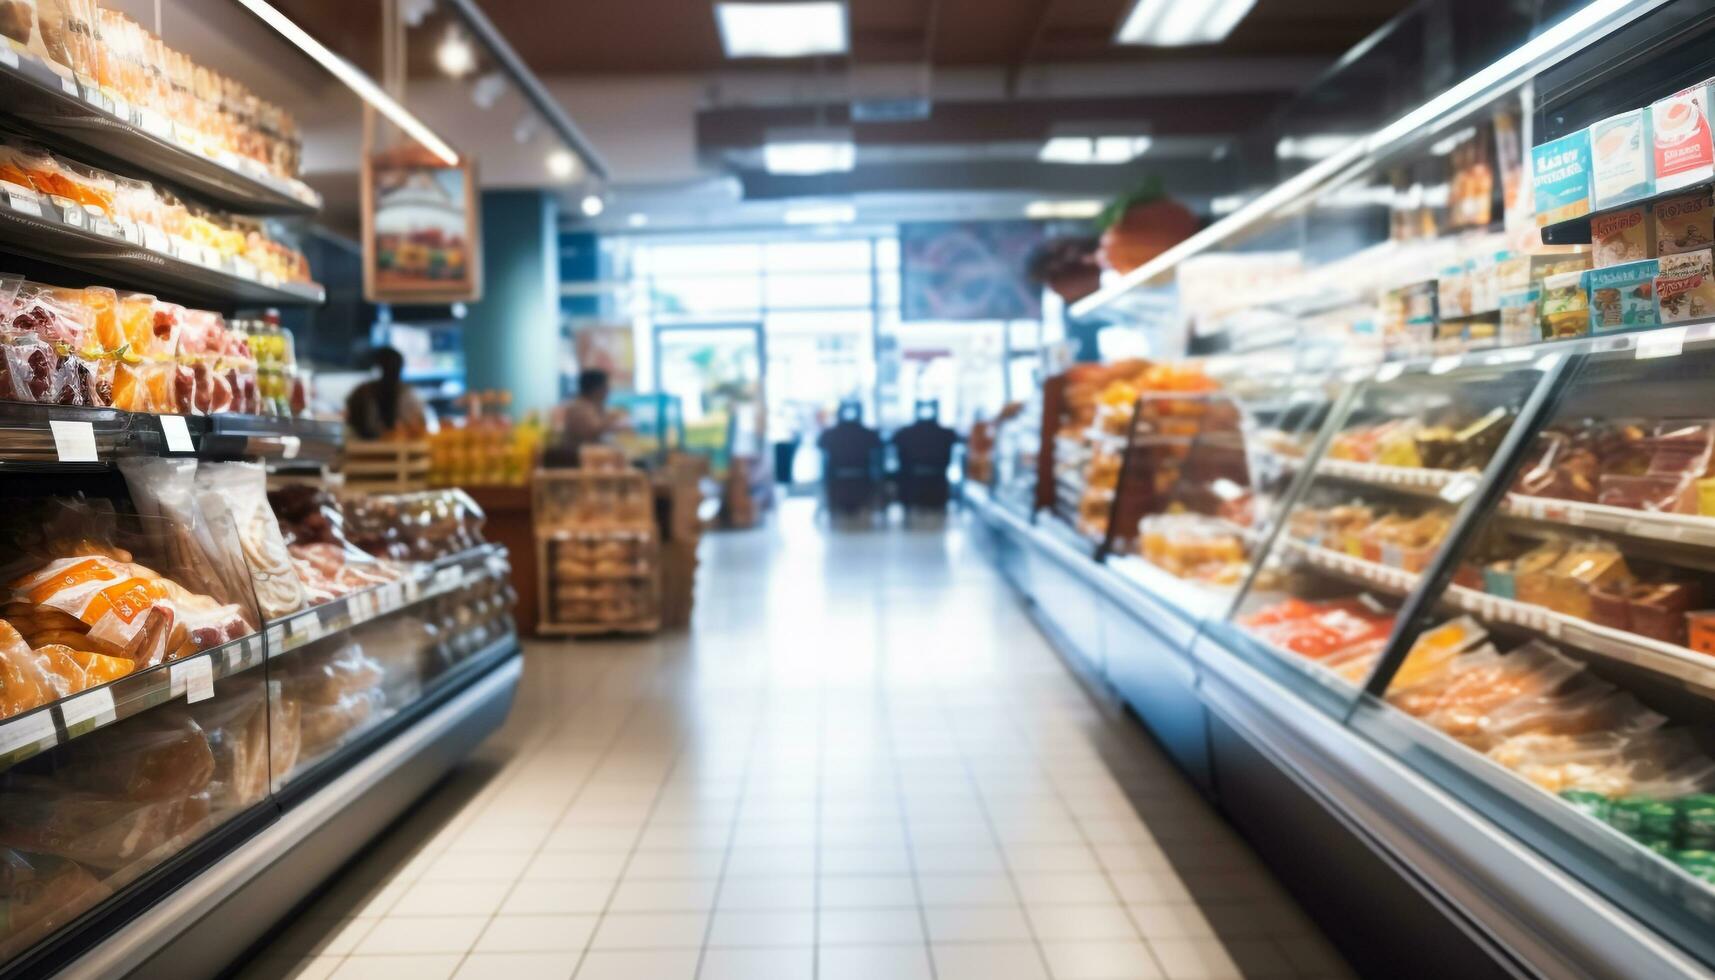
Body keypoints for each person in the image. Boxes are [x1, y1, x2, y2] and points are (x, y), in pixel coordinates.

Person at [546, 369, 626, 467]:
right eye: (605, 387)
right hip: (578, 460)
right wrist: (612, 418)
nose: (608, 391)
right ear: (596, 389)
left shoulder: (591, 405)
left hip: (587, 457)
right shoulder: (579, 407)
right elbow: (593, 429)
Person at [345, 346, 430, 439]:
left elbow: (351, 425)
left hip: (362, 450)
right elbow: (420, 428)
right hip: (400, 450)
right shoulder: (408, 395)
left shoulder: (361, 393)